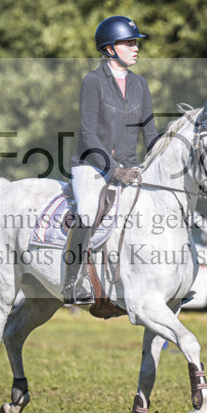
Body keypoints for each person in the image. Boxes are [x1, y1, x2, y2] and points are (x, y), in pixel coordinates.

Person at [62, 16, 160, 304]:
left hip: (130, 168)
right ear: (109, 49)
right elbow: (88, 134)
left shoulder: (140, 84)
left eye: (135, 43)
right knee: (88, 214)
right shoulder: (93, 81)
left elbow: (150, 132)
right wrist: (115, 170)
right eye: (129, 43)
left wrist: (159, 164)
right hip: (92, 165)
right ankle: (73, 282)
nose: (135, 48)